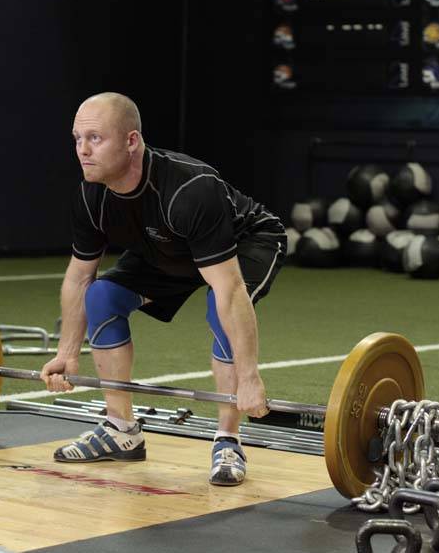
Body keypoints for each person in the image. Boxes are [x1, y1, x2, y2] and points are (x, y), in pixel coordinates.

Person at [41, 92, 286, 486]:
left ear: (131, 141)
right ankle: (121, 431)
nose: (82, 151)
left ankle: (228, 439)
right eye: (76, 139)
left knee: (217, 307)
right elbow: (79, 277)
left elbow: (229, 291)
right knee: (102, 295)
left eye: (95, 139)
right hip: (168, 250)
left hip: (245, 242)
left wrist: (250, 377)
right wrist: (67, 354)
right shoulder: (91, 195)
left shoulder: (190, 189)